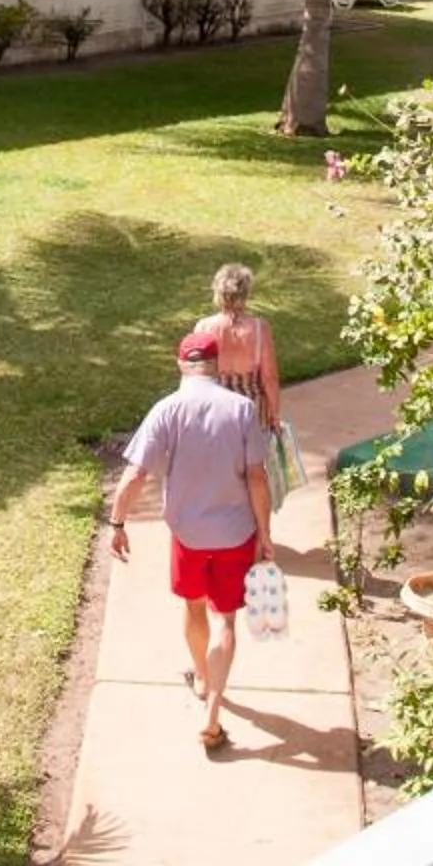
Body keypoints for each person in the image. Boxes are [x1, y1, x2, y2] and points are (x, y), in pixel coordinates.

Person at [108, 327, 274, 753]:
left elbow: (135, 475)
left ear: (180, 363)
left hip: (188, 537)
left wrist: (118, 522)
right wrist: (265, 536)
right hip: (236, 533)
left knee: (194, 606)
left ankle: (201, 676)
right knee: (227, 620)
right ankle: (213, 715)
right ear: (216, 366)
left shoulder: (166, 410)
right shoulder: (241, 410)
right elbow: (258, 477)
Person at [194, 263, 282, 429]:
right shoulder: (259, 329)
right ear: (245, 294)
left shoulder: (203, 327)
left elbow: (196, 376)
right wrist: (275, 415)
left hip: (215, 411)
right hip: (252, 412)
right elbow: (269, 378)